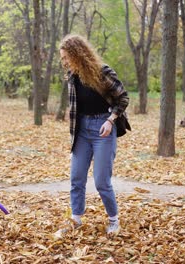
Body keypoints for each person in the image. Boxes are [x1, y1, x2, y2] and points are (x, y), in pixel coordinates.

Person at [58, 34, 129, 235]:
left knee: (101, 181)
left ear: (78, 54)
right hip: (82, 131)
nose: (64, 62)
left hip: (103, 128)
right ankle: (76, 219)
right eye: (62, 58)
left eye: (67, 58)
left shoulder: (102, 72)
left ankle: (114, 220)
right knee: (76, 177)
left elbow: (123, 98)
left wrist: (110, 120)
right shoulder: (72, 76)